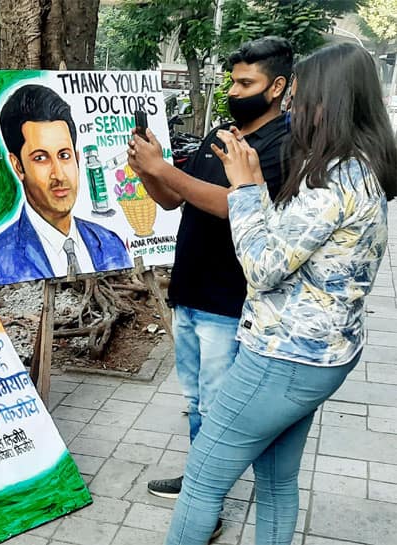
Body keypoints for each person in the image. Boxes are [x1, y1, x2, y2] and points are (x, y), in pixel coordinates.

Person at [163, 42, 397, 545]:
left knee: (202, 478)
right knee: (274, 480)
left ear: (328, 102)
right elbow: (286, 243)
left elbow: (263, 266)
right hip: (322, 353)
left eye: (302, 96)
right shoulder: (359, 166)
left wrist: (246, 188)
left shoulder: (333, 181)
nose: (293, 106)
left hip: (283, 355)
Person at [128, 36, 293, 519]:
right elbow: (173, 200)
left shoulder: (284, 146)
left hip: (232, 301)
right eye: (232, 81)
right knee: (197, 400)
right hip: (190, 291)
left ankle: (206, 503)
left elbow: (232, 206)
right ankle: (200, 479)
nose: (234, 91)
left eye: (247, 83)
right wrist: (148, 170)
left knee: (220, 408)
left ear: (277, 86)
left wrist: (165, 170)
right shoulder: (221, 134)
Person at [0, 84, 131, 285]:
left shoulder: (110, 243)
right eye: (41, 158)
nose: (59, 175)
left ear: (77, 159)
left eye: (64, 155)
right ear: (18, 166)